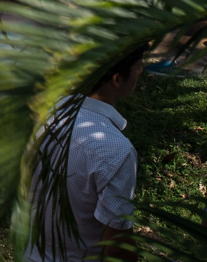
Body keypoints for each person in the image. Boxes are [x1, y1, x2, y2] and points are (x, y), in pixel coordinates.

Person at [25, 48, 146, 262]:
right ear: (117, 79)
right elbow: (116, 248)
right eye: (138, 66)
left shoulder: (43, 116)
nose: (142, 71)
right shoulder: (117, 151)